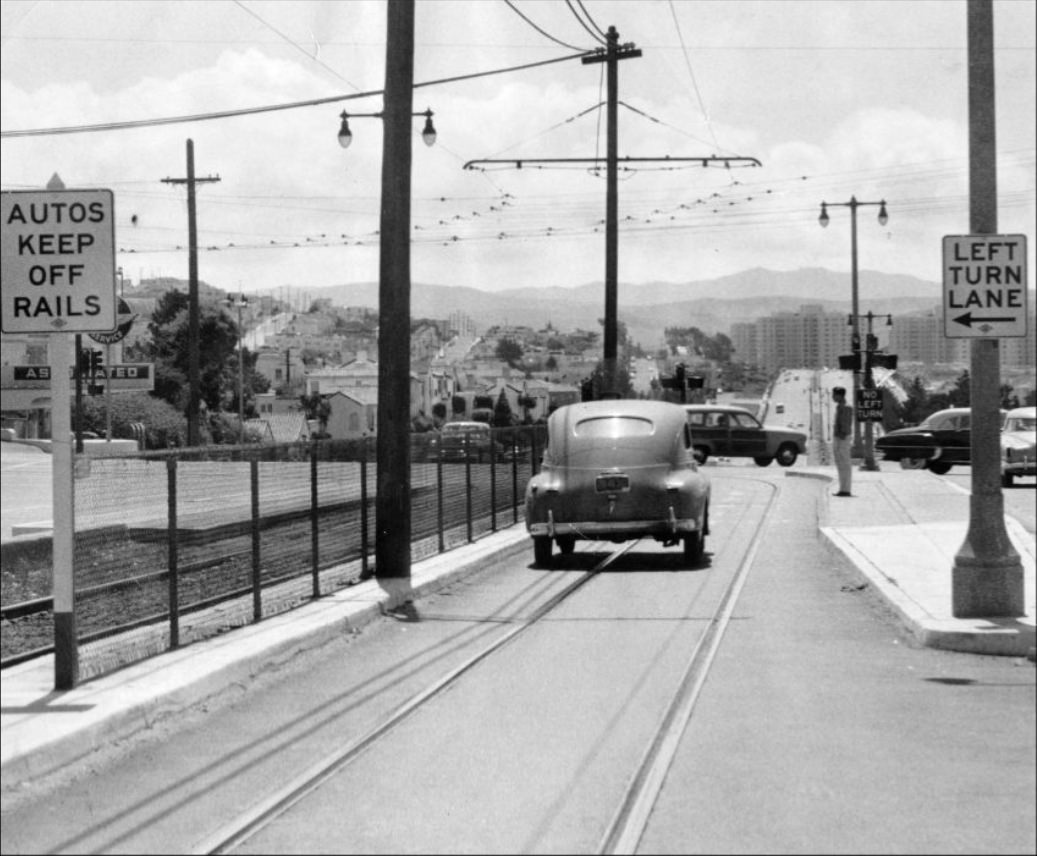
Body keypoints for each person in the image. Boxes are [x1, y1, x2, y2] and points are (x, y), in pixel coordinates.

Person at [831, 386, 853, 496]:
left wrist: (840, 436)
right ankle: (842, 488)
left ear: (840, 395)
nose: (832, 397)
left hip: (842, 439)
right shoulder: (839, 407)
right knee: (840, 464)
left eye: (834, 395)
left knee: (845, 463)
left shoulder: (846, 407)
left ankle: (846, 489)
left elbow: (845, 425)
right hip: (838, 438)